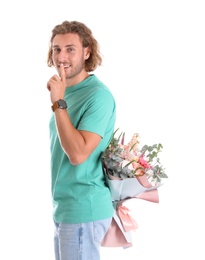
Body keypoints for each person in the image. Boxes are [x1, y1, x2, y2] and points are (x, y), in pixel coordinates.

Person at [46, 20, 116, 260]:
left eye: (70, 49)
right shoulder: (66, 92)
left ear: (87, 52)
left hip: (83, 209)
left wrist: (58, 103)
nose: (61, 56)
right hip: (65, 209)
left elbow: (77, 155)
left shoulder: (98, 96)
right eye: (56, 49)